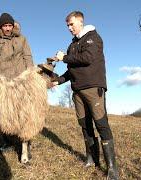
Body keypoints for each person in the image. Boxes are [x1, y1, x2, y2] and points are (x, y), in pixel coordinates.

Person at [51, 11, 119, 179]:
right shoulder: (72, 44)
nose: (69, 28)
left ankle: (111, 168)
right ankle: (92, 159)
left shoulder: (93, 38)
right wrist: (58, 81)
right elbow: (71, 70)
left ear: (80, 22)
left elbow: (87, 58)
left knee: (101, 125)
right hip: (77, 91)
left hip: (93, 88)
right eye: (67, 25)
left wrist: (65, 57)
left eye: (71, 24)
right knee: (85, 125)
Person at [0, 13, 34, 153]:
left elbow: (28, 57)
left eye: (10, 25)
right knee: (4, 112)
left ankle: (25, 142)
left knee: (24, 111)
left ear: (13, 26)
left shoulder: (22, 39)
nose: (7, 28)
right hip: (4, 81)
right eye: (5, 26)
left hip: (21, 80)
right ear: (1, 27)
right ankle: (8, 142)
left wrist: (30, 75)